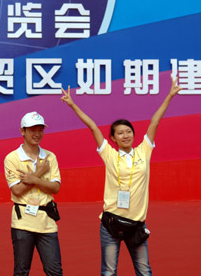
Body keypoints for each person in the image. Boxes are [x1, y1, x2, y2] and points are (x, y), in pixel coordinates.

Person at [60, 77, 181, 276]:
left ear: (133, 134)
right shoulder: (109, 154)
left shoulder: (144, 151)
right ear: (113, 138)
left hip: (137, 224)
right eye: (120, 133)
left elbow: (155, 121)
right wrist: (73, 105)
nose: (125, 135)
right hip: (111, 223)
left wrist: (169, 96)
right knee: (108, 272)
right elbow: (92, 127)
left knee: (144, 271)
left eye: (128, 131)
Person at [4, 111, 63, 276]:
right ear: (22, 131)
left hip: (47, 221)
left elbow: (55, 188)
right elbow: (16, 190)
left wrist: (32, 179)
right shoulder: (12, 158)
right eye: (32, 130)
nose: (37, 134)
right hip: (23, 221)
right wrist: (39, 173)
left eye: (40, 130)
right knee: (22, 271)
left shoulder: (50, 157)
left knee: (55, 271)